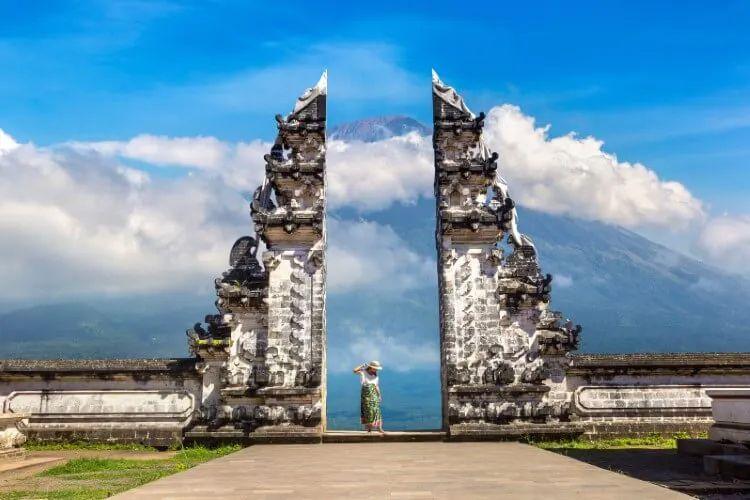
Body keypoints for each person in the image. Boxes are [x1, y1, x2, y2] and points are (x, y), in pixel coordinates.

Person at [353, 360, 384, 434]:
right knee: (368, 411)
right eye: (375, 368)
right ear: (371, 367)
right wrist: (363, 365)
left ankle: (380, 428)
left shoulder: (375, 376)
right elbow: (354, 370)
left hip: (373, 394)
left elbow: (376, 386)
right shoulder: (363, 372)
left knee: (377, 411)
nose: (376, 370)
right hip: (366, 394)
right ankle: (369, 429)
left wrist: (379, 395)